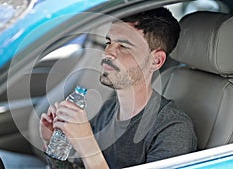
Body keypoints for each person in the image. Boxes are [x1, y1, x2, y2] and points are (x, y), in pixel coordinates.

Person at [40, 7, 197, 169]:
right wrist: (53, 145)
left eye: (123, 46)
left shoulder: (172, 129)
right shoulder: (108, 110)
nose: (107, 53)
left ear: (155, 61)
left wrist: (87, 145)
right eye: (109, 43)